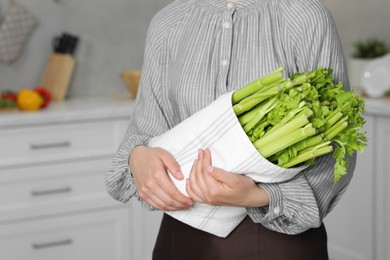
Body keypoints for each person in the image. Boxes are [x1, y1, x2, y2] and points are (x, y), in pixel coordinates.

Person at [105, 0, 356, 259]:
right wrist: (138, 157)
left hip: (276, 239)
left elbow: (337, 145)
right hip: (181, 234)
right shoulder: (168, 21)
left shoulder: (305, 16)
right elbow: (144, 127)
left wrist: (259, 195)